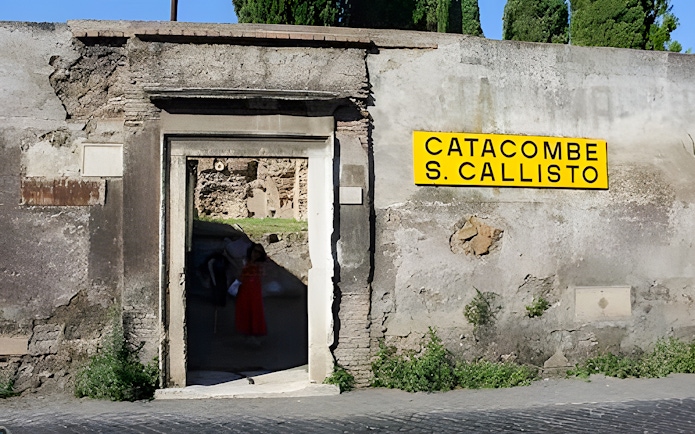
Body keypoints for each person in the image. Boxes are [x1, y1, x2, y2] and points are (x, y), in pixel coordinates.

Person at [235, 242, 268, 338]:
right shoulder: (244, 261)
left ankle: (256, 333)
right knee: (245, 310)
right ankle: (246, 333)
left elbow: (265, 276)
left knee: (255, 311)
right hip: (244, 290)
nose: (256, 254)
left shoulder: (262, 264)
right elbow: (239, 274)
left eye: (259, 253)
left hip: (255, 291)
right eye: (255, 251)